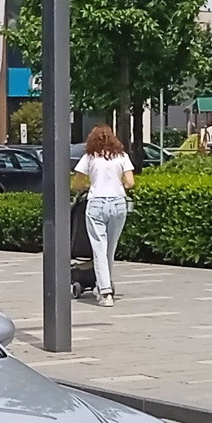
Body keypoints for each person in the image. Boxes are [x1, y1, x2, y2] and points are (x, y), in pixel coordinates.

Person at [75, 123, 136, 303]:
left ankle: (105, 292)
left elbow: (76, 183)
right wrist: (119, 186)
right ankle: (103, 285)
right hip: (118, 203)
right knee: (110, 248)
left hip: (96, 203)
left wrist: (88, 186)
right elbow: (131, 182)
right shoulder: (122, 156)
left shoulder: (89, 157)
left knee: (99, 249)